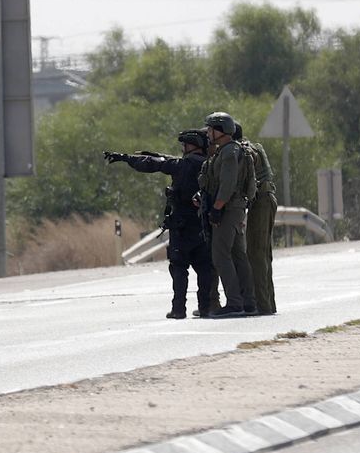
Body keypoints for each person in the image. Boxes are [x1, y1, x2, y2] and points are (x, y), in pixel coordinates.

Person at [104, 130, 218, 319]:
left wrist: (126, 158)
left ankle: (178, 309)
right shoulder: (210, 166)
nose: (182, 149)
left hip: (181, 226)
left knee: (179, 268)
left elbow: (153, 164)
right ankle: (205, 307)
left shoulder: (181, 166)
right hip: (203, 225)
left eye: (185, 145)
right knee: (205, 268)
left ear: (192, 146)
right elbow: (161, 159)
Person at [199, 111, 257, 317]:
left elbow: (228, 184)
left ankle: (234, 302)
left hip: (228, 209)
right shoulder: (226, 151)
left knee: (220, 255)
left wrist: (217, 208)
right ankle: (248, 301)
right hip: (233, 208)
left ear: (221, 131)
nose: (207, 132)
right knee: (237, 254)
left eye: (211, 128)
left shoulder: (229, 152)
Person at [234, 122, 277, 315]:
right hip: (265, 200)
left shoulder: (245, 151)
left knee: (256, 255)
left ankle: (263, 305)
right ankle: (267, 302)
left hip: (260, 202)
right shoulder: (252, 146)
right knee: (263, 254)